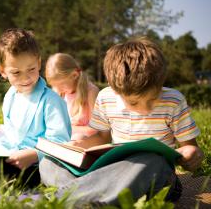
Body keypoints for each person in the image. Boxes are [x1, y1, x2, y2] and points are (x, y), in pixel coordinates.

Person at [39, 37, 205, 206]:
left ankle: (71, 199)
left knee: (153, 161)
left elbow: (190, 146)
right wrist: (79, 144)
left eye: (153, 99)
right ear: (115, 88)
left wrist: (192, 155)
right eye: (134, 102)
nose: (146, 109)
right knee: (48, 162)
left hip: (155, 177)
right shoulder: (105, 97)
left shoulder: (173, 100)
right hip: (112, 171)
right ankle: (88, 199)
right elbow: (102, 138)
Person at [0, 28, 71, 188]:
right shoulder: (10, 97)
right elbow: (11, 135)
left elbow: (60, 142)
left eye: (31, 69)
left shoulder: (51, 101)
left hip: (37, 166)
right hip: (11, 156)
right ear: (3, 71)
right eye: (16, 72)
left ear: (39, 63)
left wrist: (34, 154)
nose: (25, 78)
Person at [45, 53, 99, 140]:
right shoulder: (60, 93)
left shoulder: (91, 92)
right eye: (55, 86)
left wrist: (66, 128)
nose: (58, 90)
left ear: (74, 75)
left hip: (84, 140)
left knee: (78, 137)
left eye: (61, 85)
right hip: (67, 137)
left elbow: (94, 129)